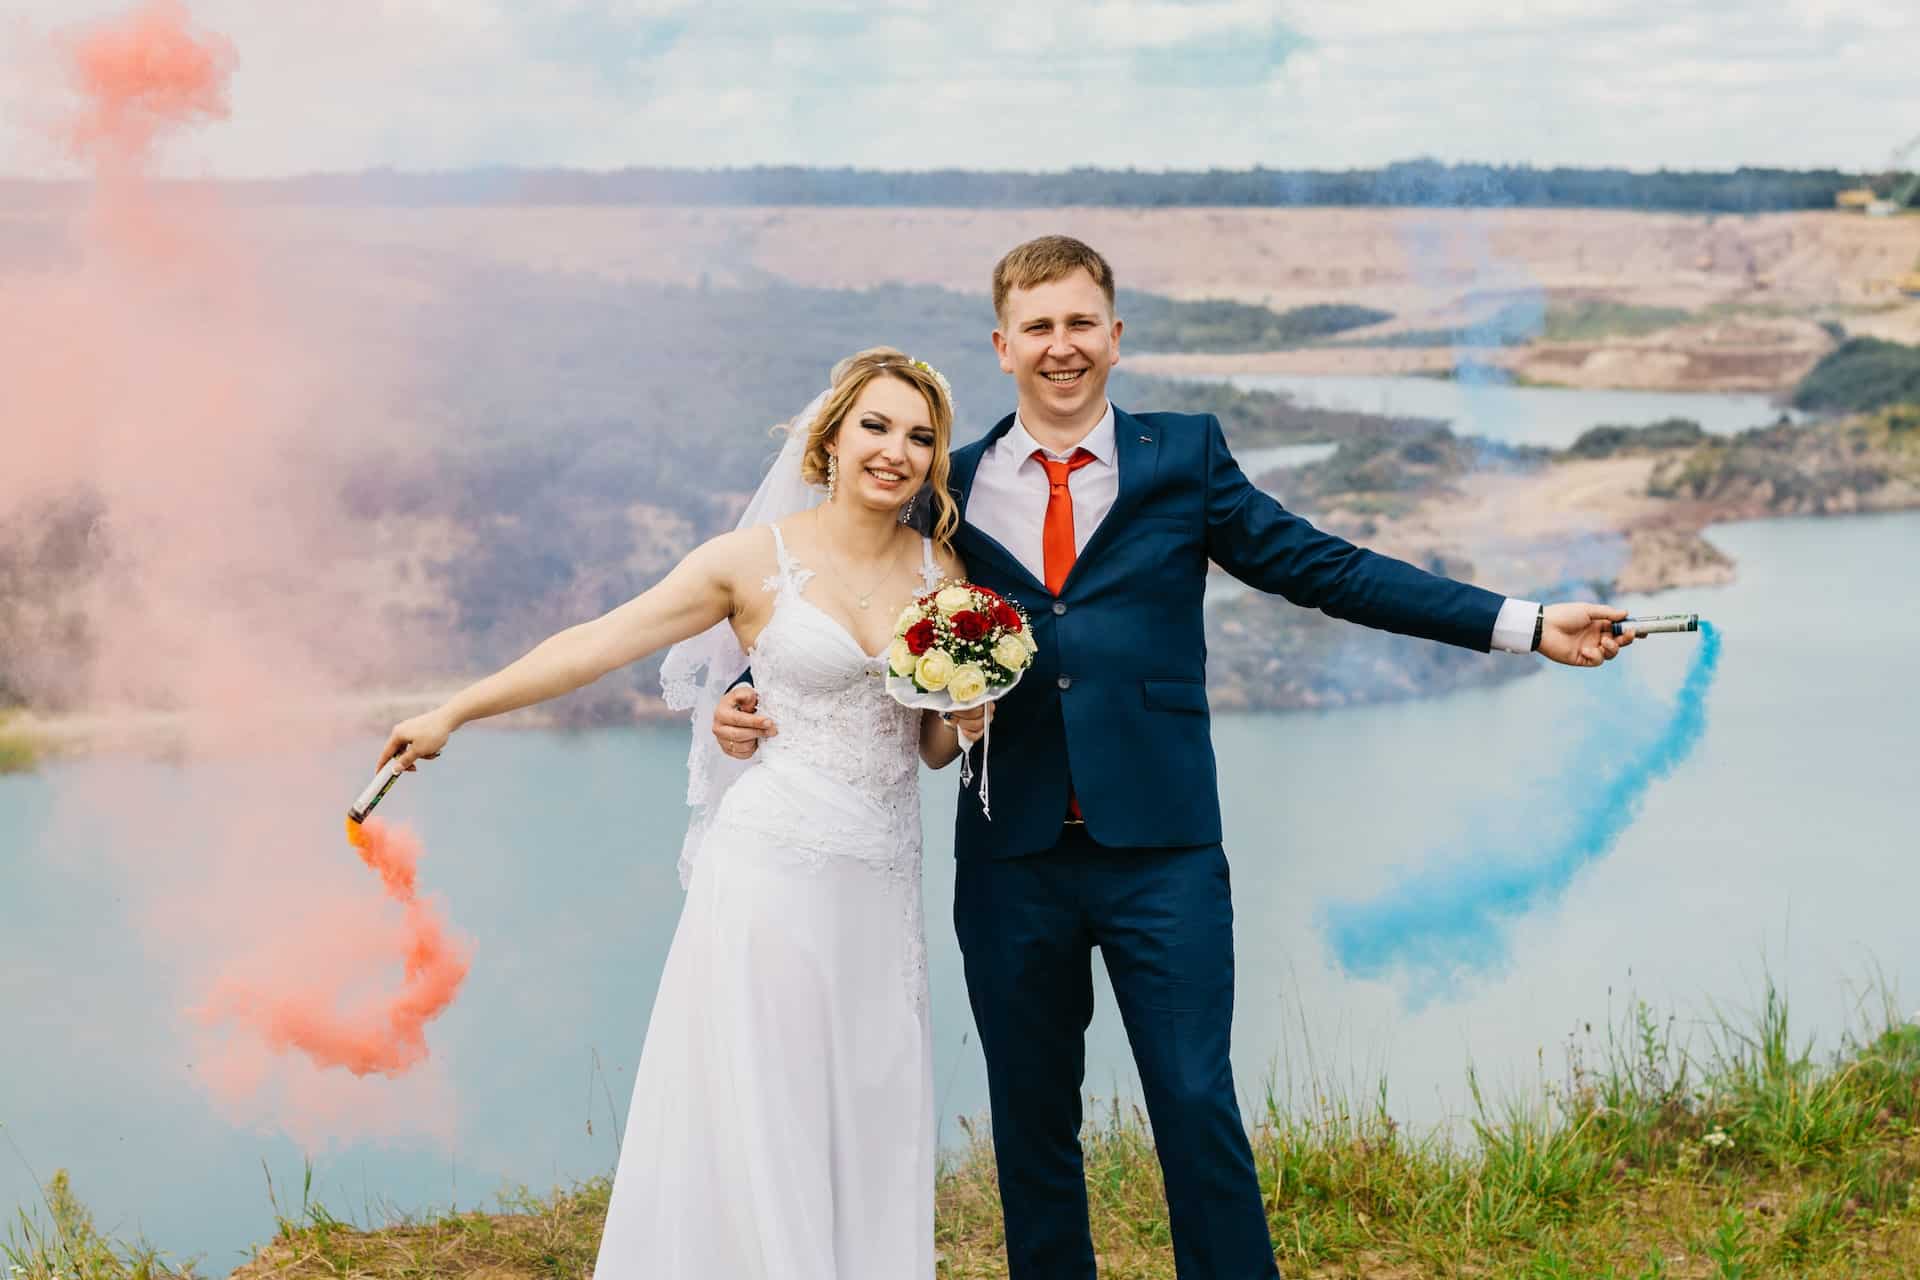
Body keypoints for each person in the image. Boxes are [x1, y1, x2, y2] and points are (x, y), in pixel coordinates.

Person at [714, 237, 1636, 1278]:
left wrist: (1525, 621)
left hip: (1163, 852)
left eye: (1079, 324)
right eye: (1038, 328)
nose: (1061, 346)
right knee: (1032, 1120)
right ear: (1002, 345)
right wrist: (752, 690)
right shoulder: (949, 487)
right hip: (1010, 854)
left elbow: (1326, 567)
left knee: (1196, 1100)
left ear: (1114, 335)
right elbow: (840, 580)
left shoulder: (1185, 457)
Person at [378, 347, 982, 1278]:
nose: (894, 450)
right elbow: (600, 640)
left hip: (881, 877)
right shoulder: (751, 561)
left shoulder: (942, 574)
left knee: (868, 1095)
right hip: (772, 865)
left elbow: (929, 747)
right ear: (830, 437)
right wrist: (454, 710)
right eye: (875, 425)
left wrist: (967, 717)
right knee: (762, 1101)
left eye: (919, 436)